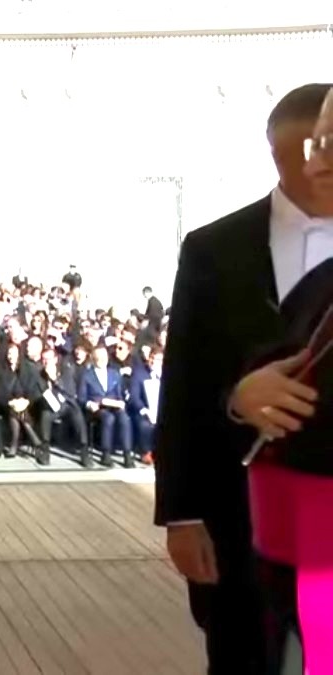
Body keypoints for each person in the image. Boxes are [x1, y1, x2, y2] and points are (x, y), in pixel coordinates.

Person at [154, 82, 333, 674]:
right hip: (239, 521)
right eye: (298, 155)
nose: (315, 168)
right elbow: (182, 383)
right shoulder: (213, 248)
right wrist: (180, 515)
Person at [237, 87, 333, 675]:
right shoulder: (322, 284)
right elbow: (266, 362)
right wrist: (244, 396)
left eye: (328, 146)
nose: (315, 162)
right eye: (319, 143)